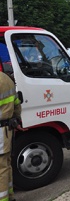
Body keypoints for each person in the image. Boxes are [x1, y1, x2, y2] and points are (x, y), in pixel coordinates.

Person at [0, 71, 24, 201]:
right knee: (6, 165)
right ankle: (10, 196)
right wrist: (17, 120)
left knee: (1, 169)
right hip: (7, 131)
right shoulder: (7, 79)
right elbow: (16, 104)